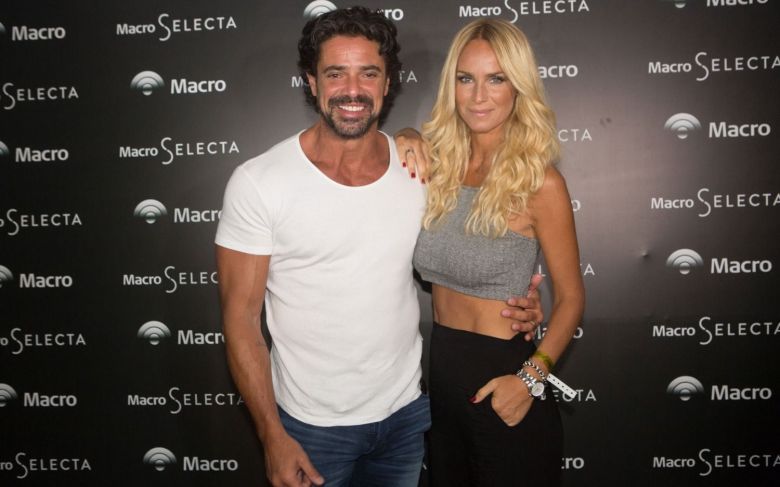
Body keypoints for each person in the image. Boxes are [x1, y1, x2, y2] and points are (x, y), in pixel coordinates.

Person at [214, 8, 543, 487]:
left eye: (368, 73)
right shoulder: (259, 183)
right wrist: (271, 435)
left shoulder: (420, 171)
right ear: (311, 82)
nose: (352, 90)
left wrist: (517, 303)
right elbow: (241, 322)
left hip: (407, 419)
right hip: (311, 429)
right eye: (335, 74)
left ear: (388, 84)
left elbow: (471, 253)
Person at [400, 19, 585, 486]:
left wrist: (530, 379)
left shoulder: (540, 183)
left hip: (505, 381)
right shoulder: (436, 168)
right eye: (466, 79)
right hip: (441, 382)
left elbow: (571, 299)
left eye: (496, 79)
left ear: (518, 86)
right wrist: (403, 133)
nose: (479, 96)